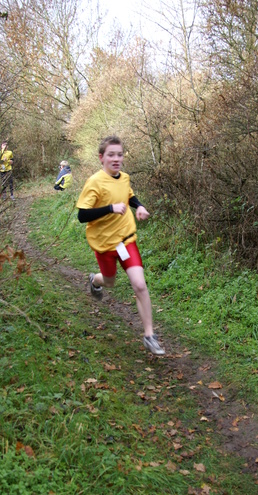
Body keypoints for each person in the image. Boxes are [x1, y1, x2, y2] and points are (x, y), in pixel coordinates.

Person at [76, 135, 165, 356]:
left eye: (120, 154)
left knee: (140, 285)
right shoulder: (94, 182)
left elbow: (130, 196)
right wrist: (110, 208)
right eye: (111, 155)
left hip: (126, 240)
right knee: (109, 281)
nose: (116, 159)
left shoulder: (124, 177)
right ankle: (94, 280)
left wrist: (140, 207)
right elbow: (82, 215)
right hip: (105, 245)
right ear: (101, 158)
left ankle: (149, 335)